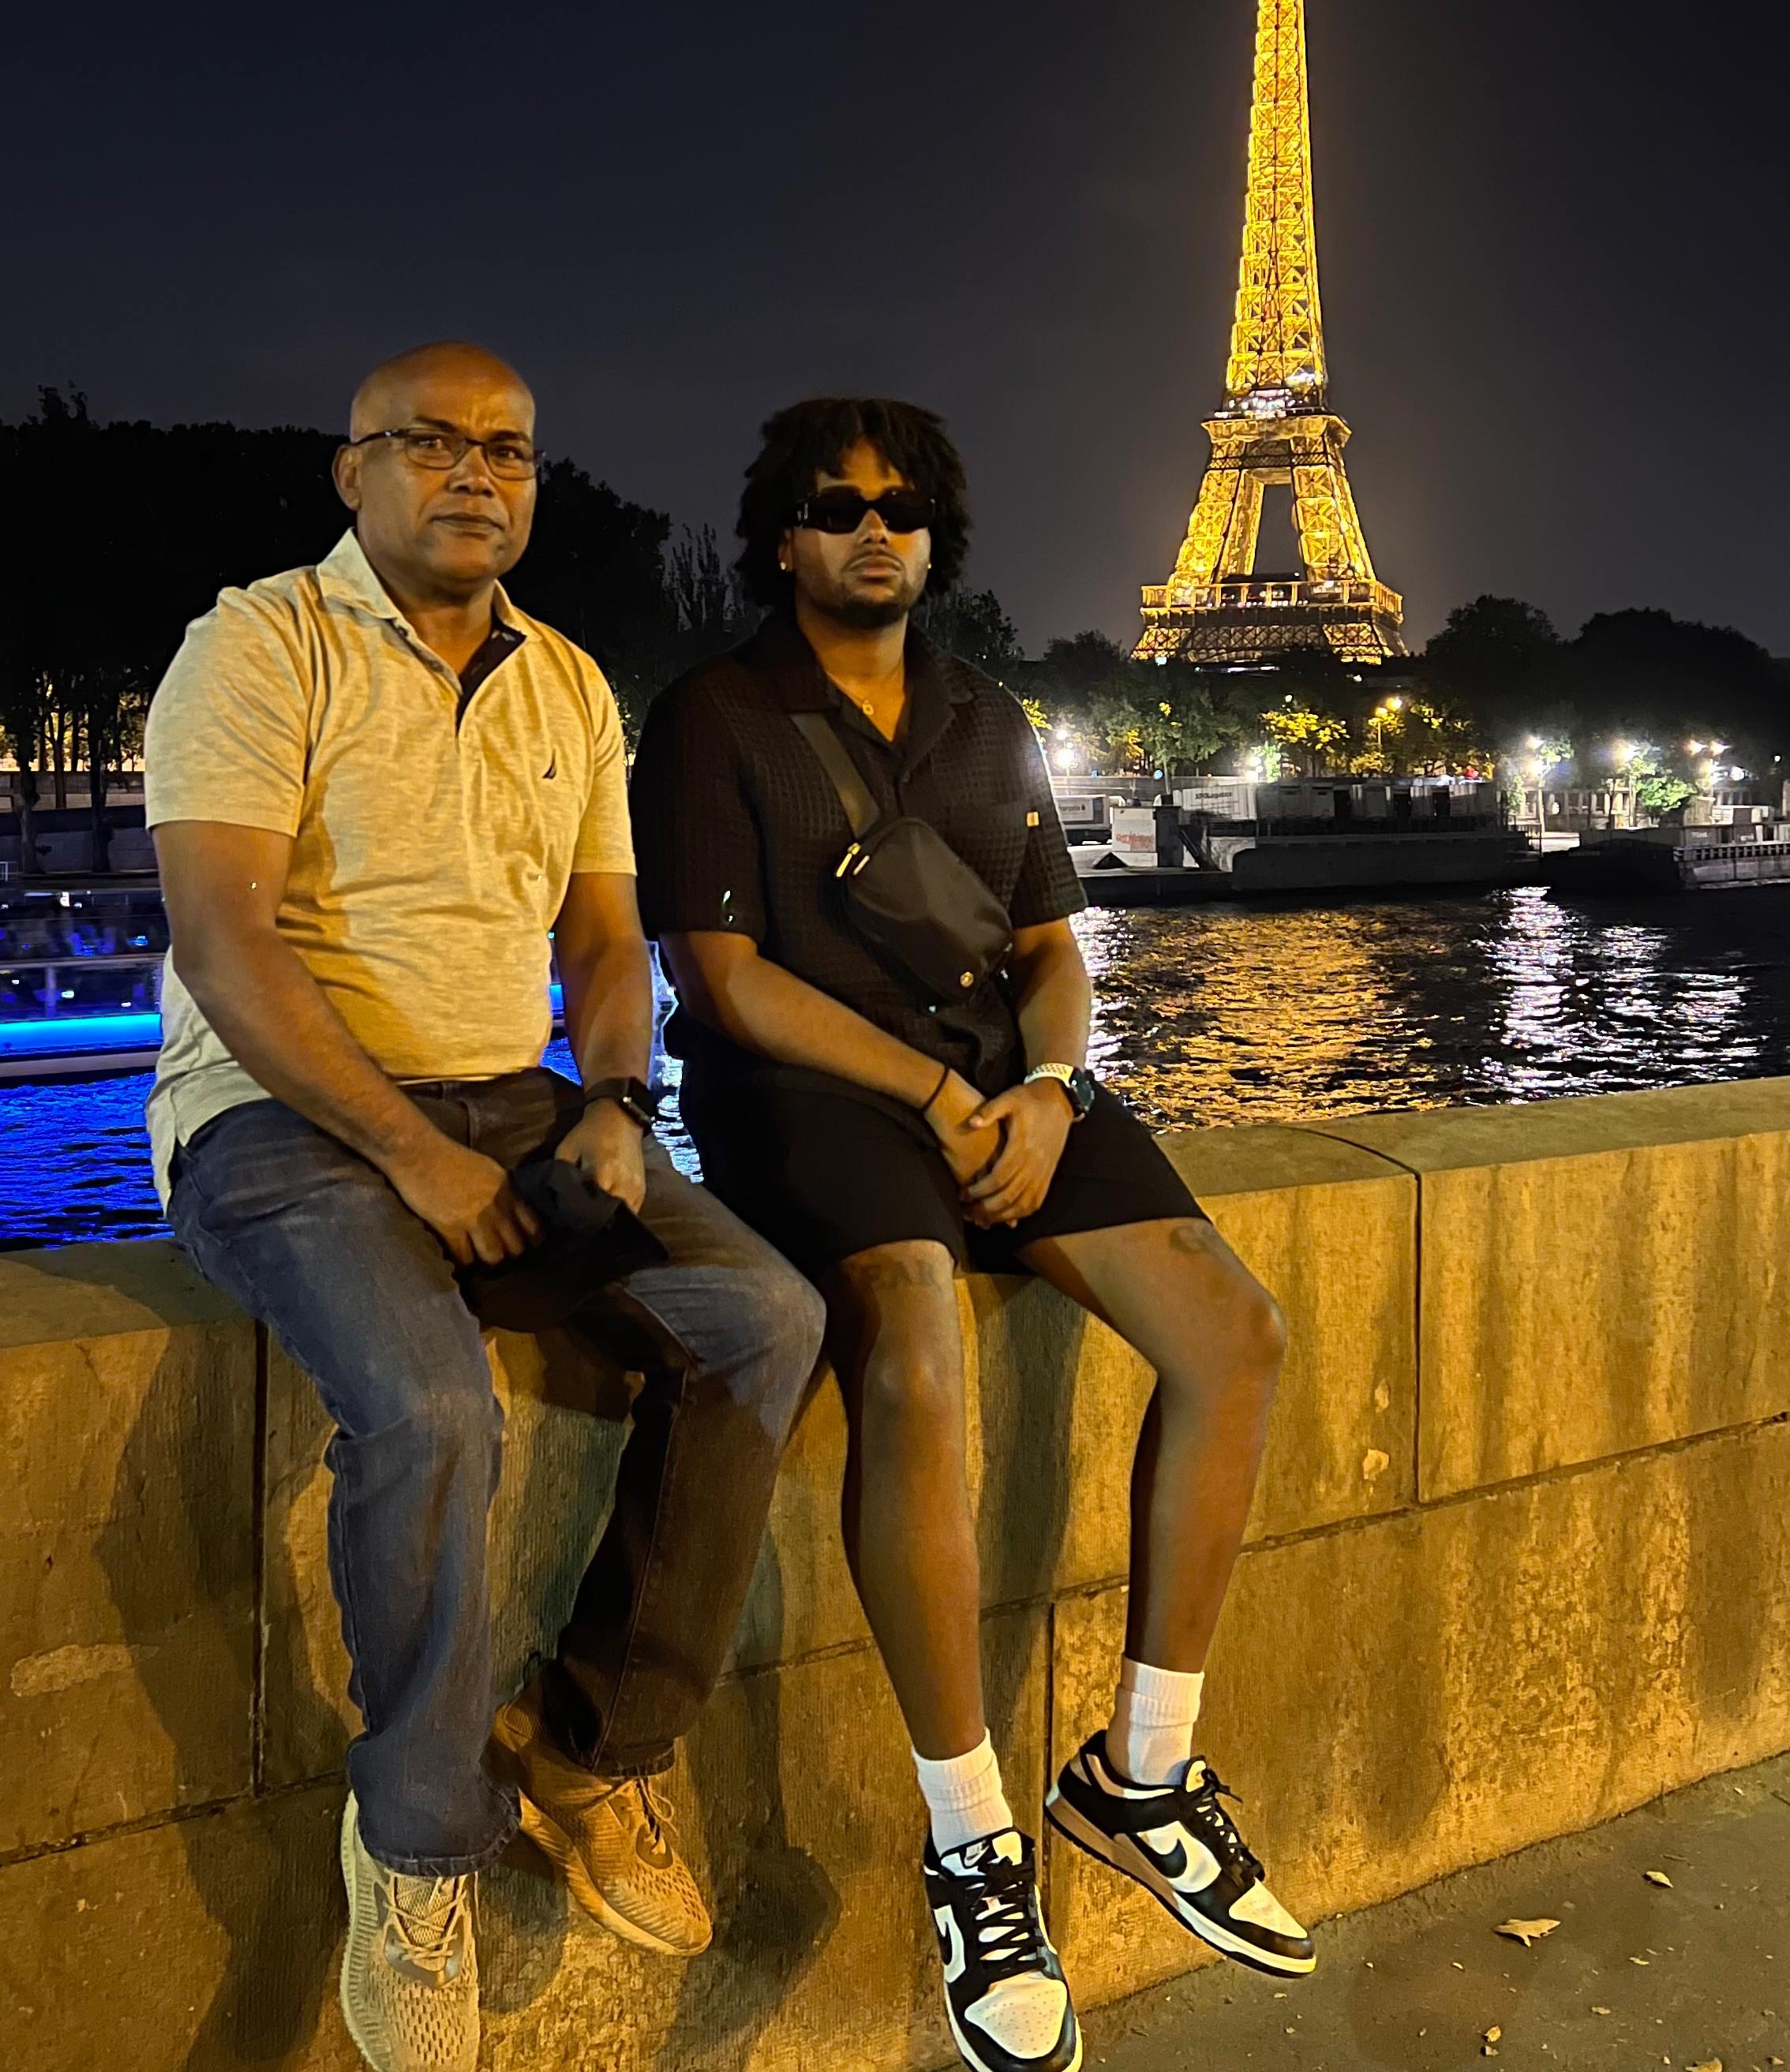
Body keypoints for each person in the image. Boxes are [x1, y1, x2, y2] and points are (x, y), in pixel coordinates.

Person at [144, 342, 824, 2072]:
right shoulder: (256, 646)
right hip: (275, 1118)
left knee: (769, 1317)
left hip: (515, 1103)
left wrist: (610, 1104)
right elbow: (229, 948)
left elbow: (605, 943)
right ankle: (419, 1851)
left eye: (507, 450)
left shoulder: (570, 685)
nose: (473, 474)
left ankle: (591, 1749)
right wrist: (416, 1157)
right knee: (435, 1408)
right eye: (429, 443)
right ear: (349, 474)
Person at [631, 398, 1314, 2072]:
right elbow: (721, 985)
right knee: (914, 1344)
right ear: (781, 536)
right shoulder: (714, 716)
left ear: (936, 542)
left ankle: (1142, 1775)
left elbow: (1048, 946)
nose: (875, 530)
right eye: (836, 504)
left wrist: (1058, 1087)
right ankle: (971, 1845)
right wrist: (943, 1108)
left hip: (1005, 1093)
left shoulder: (986, 717)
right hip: (811, 1103)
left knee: (1236, 1338)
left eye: (904, 508)